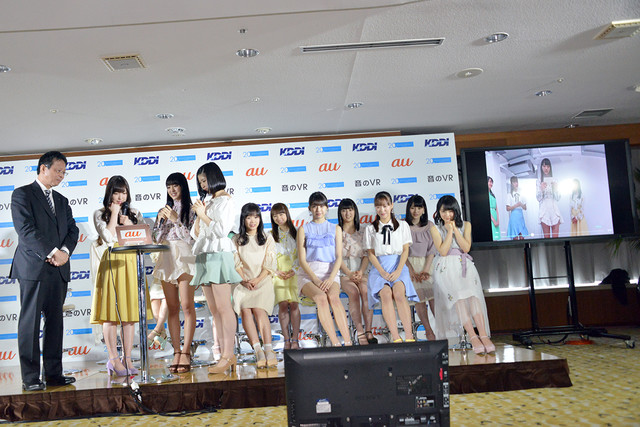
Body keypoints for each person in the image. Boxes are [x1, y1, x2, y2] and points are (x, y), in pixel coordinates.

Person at [11, 151, 79, 391]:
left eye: (64, 172)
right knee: (30, 324)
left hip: (58, 269)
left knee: (55, 323)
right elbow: (25, 231)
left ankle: (53, 374)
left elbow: (73, 230)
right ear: (43, 168)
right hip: (33, 268)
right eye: (58, 170)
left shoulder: (61, 200)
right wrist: (52, 252)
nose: (61, 176)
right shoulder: (22, 194)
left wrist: (64, 252)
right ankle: (30, 378)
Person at [90, 175, 151, 376]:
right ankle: (113, 359)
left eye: (123, 193)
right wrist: (115, 214)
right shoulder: (100, 214)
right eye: (116, 192)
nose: (120, 197)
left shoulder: (135, 213)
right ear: (109, 193)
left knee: (129, 316)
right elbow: (108, 237)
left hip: (131, 262)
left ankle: (128, 358)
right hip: (112, 263)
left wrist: (129, 224)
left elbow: (144, 239)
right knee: (110, 315)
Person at [190, 162, 242, 374]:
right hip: (204, 255)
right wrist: (199, 215)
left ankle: (228, 354)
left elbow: (222, 231)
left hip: (219, 255)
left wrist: (203, 214)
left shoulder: (226, 201)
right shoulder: (209, 202)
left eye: (205, 180)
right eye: (200, 182)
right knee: (214, 309)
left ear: (214, 178)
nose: (203, 185)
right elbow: (196, 234)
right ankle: (223, 354)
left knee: (223, 307)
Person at [430, 195, 494, 354]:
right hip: (446, 268)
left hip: (464, 266)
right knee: (458, 299)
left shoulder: (466, 225)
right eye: (443, 211)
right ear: (438, 212)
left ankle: (483, 335)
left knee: (473, 297)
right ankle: (473, 337)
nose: (447, 215)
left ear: (455, 211)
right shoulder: (435, 228)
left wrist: (455, 230)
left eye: (450, 211)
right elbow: (443, 251)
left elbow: (466, 248)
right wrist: (449, 231)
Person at [152, 172, 196, 374]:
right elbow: (155, 238)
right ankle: (176, 351)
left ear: (183, 186)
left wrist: (177, 220)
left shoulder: (192, 209)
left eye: (175, 185)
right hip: (167, 257)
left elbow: (192, 238)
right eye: (168, 187)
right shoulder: (163, 210)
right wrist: (160, 221)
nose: (172, 190)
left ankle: (186, 352)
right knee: (172, 307)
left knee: (187, 305)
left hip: (185, 256)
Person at [297, 191, 351, 347]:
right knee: (321, 298)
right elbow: (302, 260)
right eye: (314, 206)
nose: (318, 210)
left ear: (326, 208)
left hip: (331, 273)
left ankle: (348, 342)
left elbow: (339, 257)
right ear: (310, 208)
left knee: (334, 298)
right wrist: (315, 279)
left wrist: (330, 278)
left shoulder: (335, 228)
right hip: (309, 275)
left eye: (321, 206)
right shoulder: (303, 229)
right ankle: (335, 343)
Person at [364, 191, 418, 343]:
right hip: (379, 268)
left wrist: (399, 270)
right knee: (386, 295)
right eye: (378, 206)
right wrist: (382, 271)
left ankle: (409, 336)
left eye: (385, 206)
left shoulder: (402, 225)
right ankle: (396, 338)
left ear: (391, 206)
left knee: (399, 294)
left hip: (398, 265)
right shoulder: (370, 229)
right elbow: (370, 254)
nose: (382, 210)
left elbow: (405, 250)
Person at [233, 203, 277, 368]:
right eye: (249, 217)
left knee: (259, 310)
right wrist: (244, 280)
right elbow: (235, 263)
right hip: (242, 282)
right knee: (245, 309)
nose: (253, 221)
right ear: (243, 219)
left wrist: (257, 280)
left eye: (256, 217)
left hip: (262, 281)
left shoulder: (267, 237)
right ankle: (258, 350)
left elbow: (270, 264)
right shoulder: (236, 239)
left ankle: (269, 349)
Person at [337, 198, 375, 345]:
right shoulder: (337, 231)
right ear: (340, 213)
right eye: (344, 210)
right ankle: (359, 331)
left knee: (365, 291)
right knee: (353, 292)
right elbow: (337, 257)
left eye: (350, 209)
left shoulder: (363, 230)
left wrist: (360, 271)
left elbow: (367, 255)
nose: (348, 213)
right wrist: (349, 273)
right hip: (344, 272)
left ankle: (369, 330)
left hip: (362, 270)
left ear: (355, 211)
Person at [404, 195, 437, 341]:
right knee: (419, 300)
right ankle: (429, 332)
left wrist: (426, 270)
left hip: (427, 265)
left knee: (433, 298)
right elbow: (401, 251)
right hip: (409, 265)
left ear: (424, 209)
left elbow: (432, 250)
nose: (416, 211)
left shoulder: (430, 225)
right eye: (413, 208)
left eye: (419, 207)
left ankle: (442, 330)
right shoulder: (402, 226)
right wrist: (411, 270)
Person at [270, 203, 301, 350]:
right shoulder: (270, 235)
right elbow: (268, 257)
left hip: (295, 272)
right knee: (282, 305)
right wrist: (276, 271)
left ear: (287, 214)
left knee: (294, 305)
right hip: (278, 274)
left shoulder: (297, 232)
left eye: (281, 214)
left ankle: (295, 339)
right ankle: (286, 340)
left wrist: (294, 270)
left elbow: (302, 254)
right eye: (275, 216)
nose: (278, 218)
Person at [536, 158, 562, 238]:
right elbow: (538, 199)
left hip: (554, 209)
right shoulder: (539, 181)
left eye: (547, 166)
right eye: (544, 166)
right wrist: (541, 189)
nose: (546, 168)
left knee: (556, 238)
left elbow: (558, 198)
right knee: (546, 238)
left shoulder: (555, 180)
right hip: (544, 210)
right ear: (541, 167)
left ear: (550, 167)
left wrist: (555, 189)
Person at [506, 176, 529, 240]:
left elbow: (525, 207)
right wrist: (515, 206)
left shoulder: (522, 194)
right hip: (514, 216)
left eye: (516, 182)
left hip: (520, 216)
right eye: (514, 182)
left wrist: (521, 204)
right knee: (515, 236)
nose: (516, 183)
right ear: (511, 184)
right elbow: (507, 208)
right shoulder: (509, 195)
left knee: (522, 235)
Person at [488, 176, 500, 240]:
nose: (491, 184)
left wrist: (498, 220)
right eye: (489, 182)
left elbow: (496, 209)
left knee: (496, 237)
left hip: (495, 216)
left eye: (491, 182)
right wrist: (494, 221)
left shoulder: (492, 195)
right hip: (490, 218)